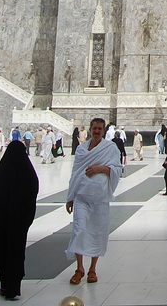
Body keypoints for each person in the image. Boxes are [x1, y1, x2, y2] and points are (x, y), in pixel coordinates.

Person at [65, 117, 122, 286]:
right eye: (94, 128)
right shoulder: (82, 150)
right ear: (90, 130)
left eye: (99, 129)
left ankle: (92, 269)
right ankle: (79, 268)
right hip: (82, 197)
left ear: (103, 131)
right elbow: (75, 174)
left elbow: (117, 169)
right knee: (79, 230)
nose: (97, 131)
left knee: (97, 232)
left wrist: (100, 169)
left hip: (99, 199)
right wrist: (70, 197)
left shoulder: (110, 148)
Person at [0, 140, 39, 301]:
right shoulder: (28, 173)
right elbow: (32, 196)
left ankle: (5, 285)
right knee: (16, 253)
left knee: (2, 253)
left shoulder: (0, 173)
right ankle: (14, 287)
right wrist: (26, 219)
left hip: (0, 222)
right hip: (19, 223)